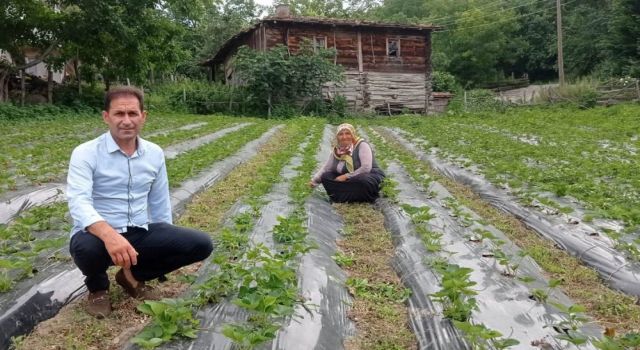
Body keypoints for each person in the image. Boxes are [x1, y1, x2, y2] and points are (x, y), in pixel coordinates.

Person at [66, 86, 213, 318]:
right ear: (106, 117)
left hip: (137, 232)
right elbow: (78, 202)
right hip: (95, 235)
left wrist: (166, 242)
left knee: (202, 244)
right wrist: (109, 235)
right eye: (119, 114)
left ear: (143, 116)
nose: (126, 121)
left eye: (133, 114)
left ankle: (132, 277)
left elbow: (160, 201)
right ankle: (98, 289)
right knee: (86, 249)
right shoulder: (86, 153)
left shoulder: (154, 153)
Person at [309, 123, 385, 203]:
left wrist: (346, 176)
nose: (344, 137)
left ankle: (344, 196)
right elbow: (326, 168)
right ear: (337, 137)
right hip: (350, 181)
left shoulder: (361, 145)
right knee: (326, 176)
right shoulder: (337, 150)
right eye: (341, 134)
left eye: (347, 133)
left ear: (353, 134)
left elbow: (366, 167)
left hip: (367, 175)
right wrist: (314, 181)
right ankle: (353, 197)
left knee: (362, 180)